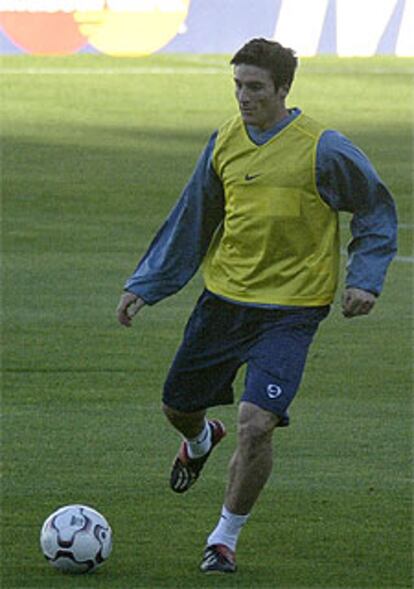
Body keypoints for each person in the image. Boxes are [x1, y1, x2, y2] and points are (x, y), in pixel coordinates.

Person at [116, 38, 397, 574]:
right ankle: (199, 439)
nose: (244, 97)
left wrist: (366, 280)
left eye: (255, 88)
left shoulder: (324, 149)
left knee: (256, 423)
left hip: (292, 310)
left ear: (283, 90)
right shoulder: (224, 140)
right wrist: (147, 284)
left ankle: (223, 537)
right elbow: (193, 216)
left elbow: (376, 209)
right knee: (177, 405)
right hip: (224, 301)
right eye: (238, 86)